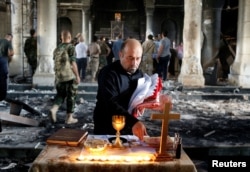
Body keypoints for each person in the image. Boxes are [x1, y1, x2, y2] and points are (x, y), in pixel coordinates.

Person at [93, 38, 148, 141]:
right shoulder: (108, 73)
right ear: (120, 55)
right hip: (106, 126)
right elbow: (110, 103)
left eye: (138, 58)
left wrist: (147, 102)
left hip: (128, 127)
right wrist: (133, 122)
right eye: (130, 58)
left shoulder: (139, 74)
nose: (134, 63)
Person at [49, 30, 80, 124]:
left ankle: (54, 109)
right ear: (69, 37)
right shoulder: (71, 47)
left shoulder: (57, 48)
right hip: (69, 76)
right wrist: (77, 75)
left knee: (60, 95)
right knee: (71, 96)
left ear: (61, 38)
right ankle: (69, 118)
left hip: (59, 77)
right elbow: (73, 62)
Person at [0, 33, 14, 101]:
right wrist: (8, 55)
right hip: (3, 59)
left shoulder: (0, 40)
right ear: (10, 38)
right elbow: (11, 53)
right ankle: (2, 95)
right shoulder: (8, 42)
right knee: (4, 76)